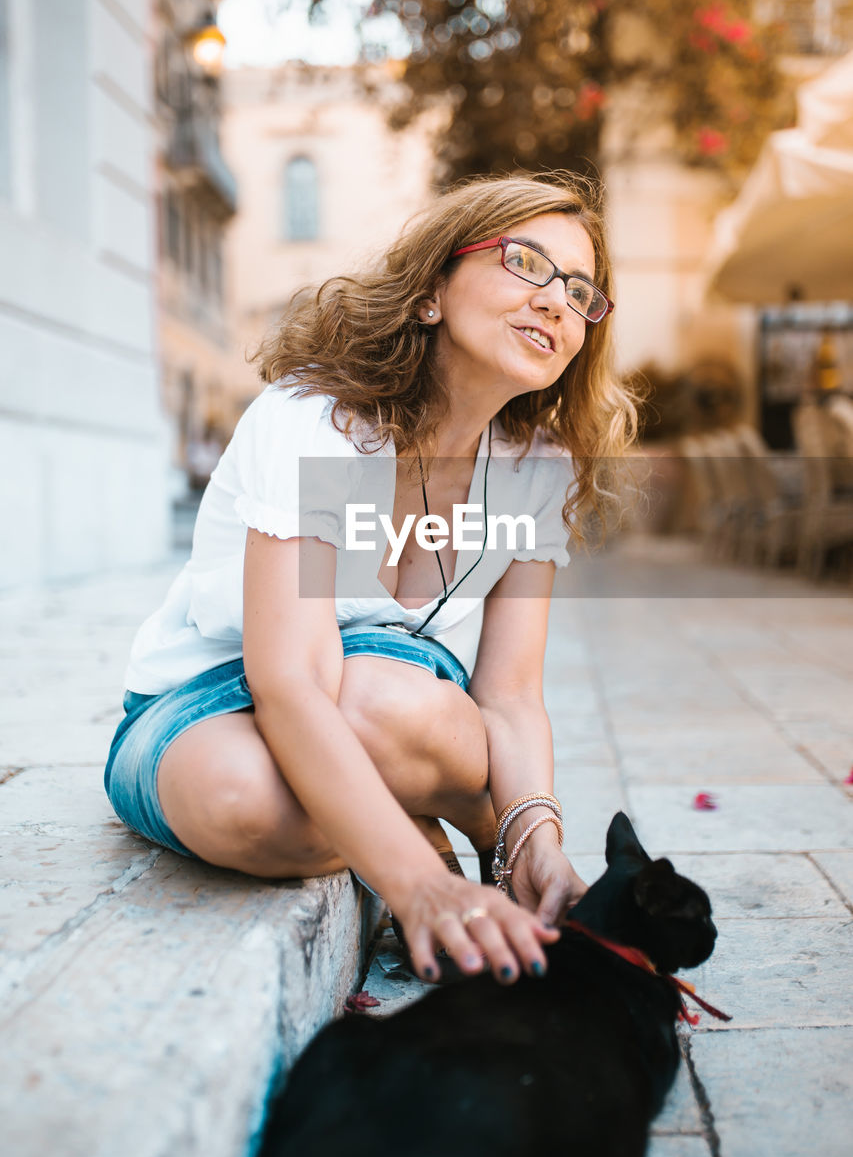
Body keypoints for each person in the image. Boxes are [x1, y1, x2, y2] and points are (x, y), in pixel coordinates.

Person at [104, 172, 637, 986]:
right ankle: (413, 835)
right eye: (524, 263)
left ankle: (477, 835)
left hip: (402, 707)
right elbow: (287, 682)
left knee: (384, 699)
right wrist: (418, 885)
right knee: (245, 799)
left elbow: (510, 694)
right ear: (430, 292)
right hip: (207, 699)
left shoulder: (536, 470)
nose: (557, 301)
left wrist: (532, 832)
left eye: (579, 290)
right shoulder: (313, 419)